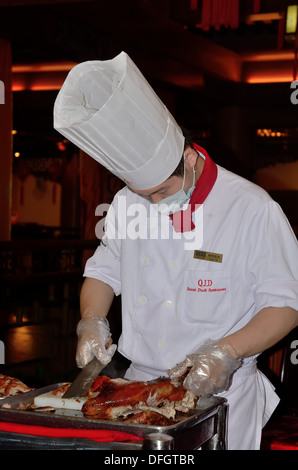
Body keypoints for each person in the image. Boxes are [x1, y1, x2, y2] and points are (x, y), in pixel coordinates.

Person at [54, 52, 298, 450]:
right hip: (134, 392)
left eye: (161, 193)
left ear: (188, 158)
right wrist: (92, 320)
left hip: (223, 392)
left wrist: (226, 353)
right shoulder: (127, 203)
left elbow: (287, 304)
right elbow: (104, 271)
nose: (151, 203)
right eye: (142, 194)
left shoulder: (253, 208)